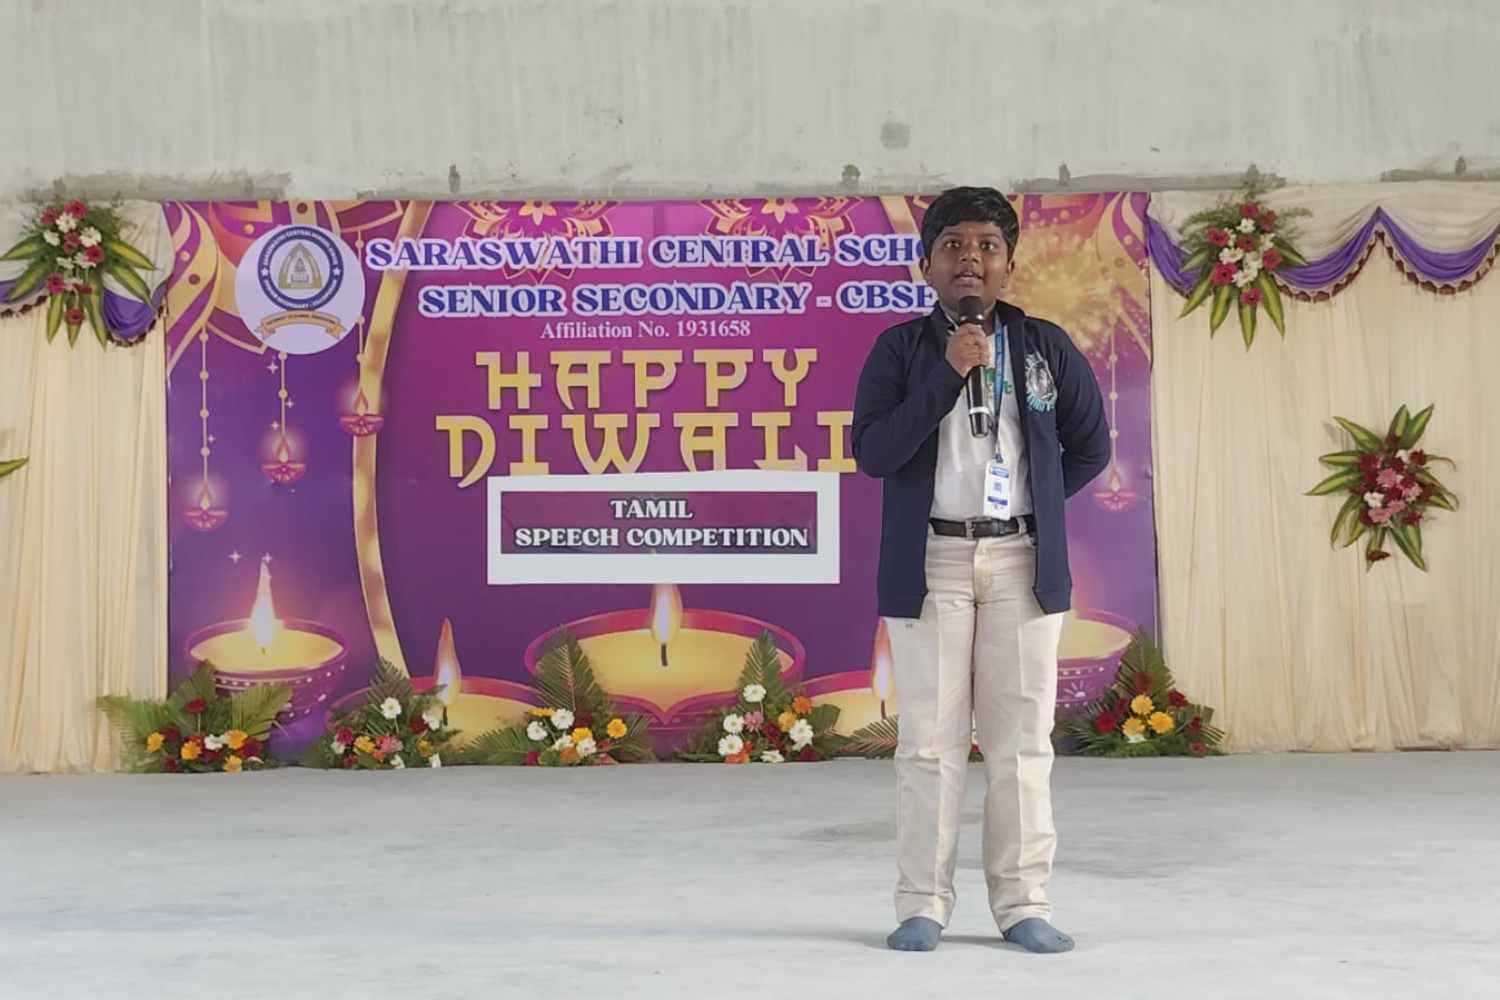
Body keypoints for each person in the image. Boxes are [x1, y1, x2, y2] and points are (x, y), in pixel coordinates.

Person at [851, 186, 1109, 954]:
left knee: (1021, 743)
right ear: (925, 264)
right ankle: (922, 904)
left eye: (987, 246)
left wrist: (1039, 506)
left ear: (1009, 265)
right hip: (931, 560)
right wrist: (947, 373)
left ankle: (1024, 904)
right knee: (928, 744)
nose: (971, 259)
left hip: (1022, 560)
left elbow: (1090, 447)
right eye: (954, 246)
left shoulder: (1043, 346)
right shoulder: (900, 349)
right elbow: (875, 452)